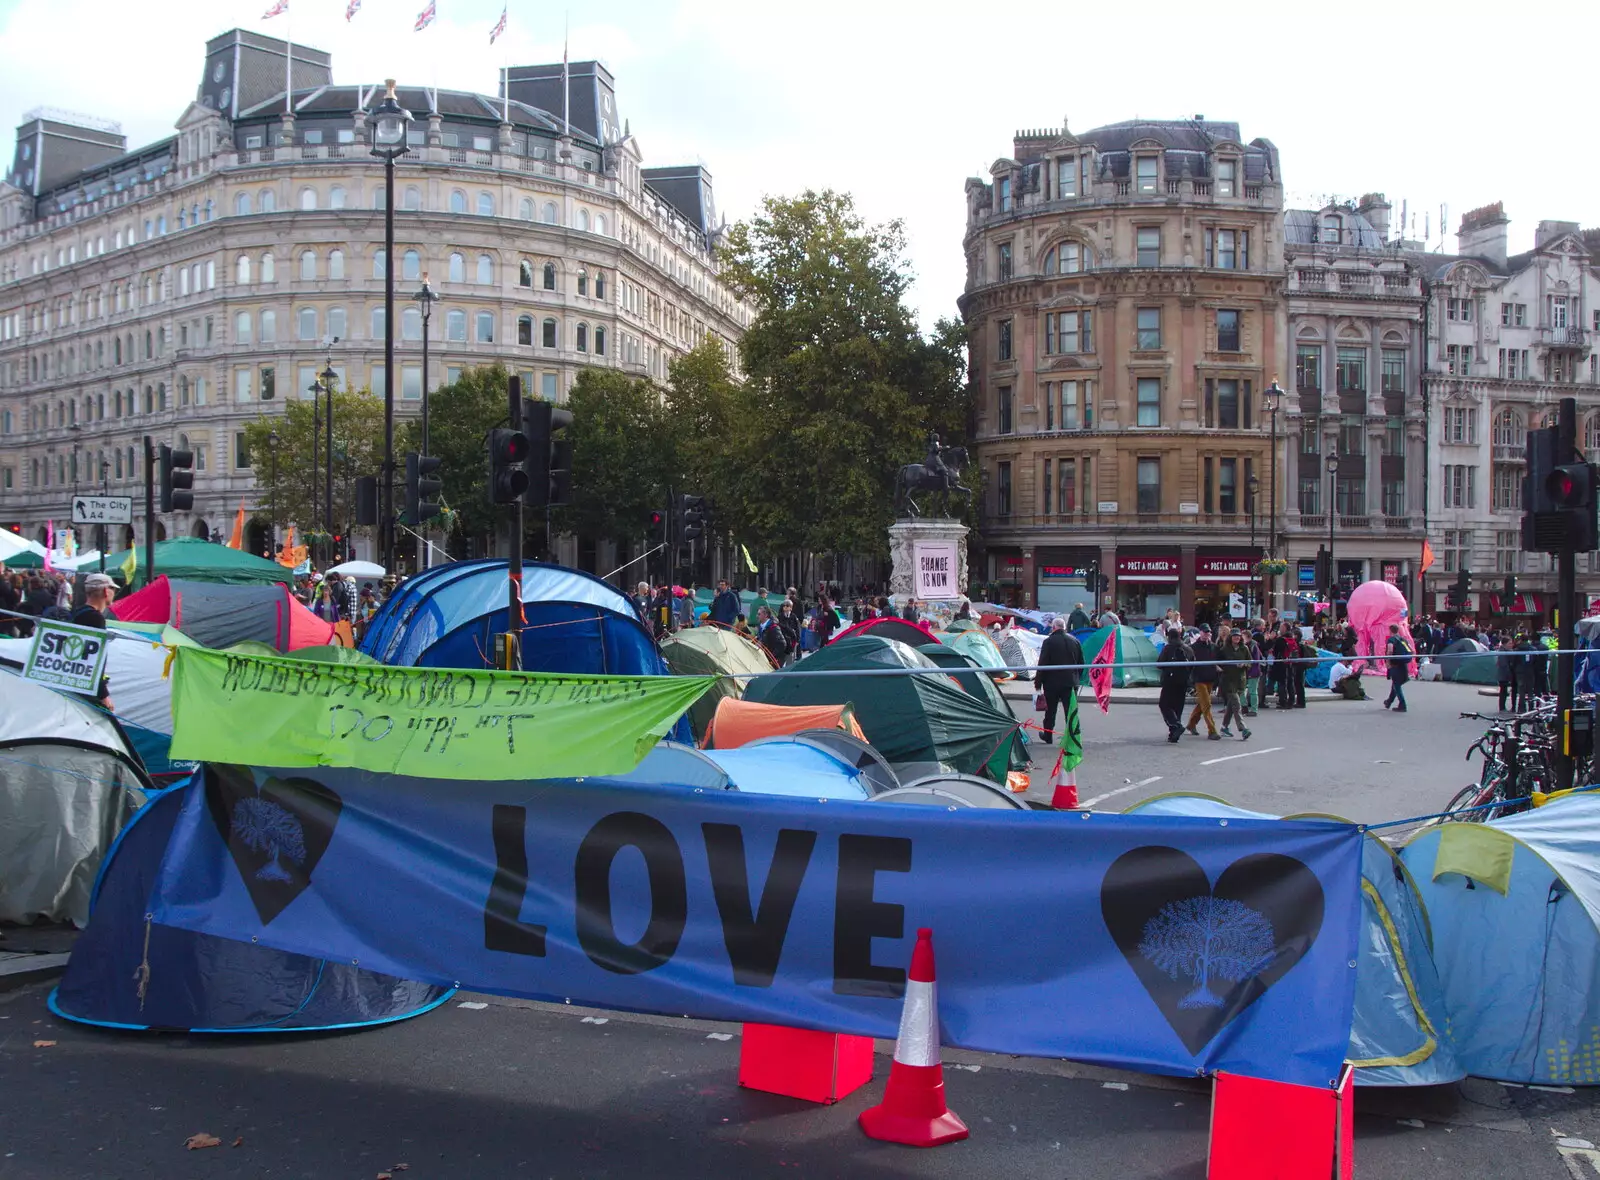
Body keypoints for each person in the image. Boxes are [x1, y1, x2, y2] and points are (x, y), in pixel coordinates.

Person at [70, 572, 116, 711]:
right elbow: (93, 658)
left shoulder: (78, 612)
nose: (115, 592)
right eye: (112, 589)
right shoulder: (95, 618)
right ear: (105, 591)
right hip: (85, 685)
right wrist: (103, 693)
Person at [1037, 617, 1085, 744]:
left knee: (1050, 711)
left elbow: (1042, 663)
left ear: (1053, 628)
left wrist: (1038, 682)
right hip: (1070, 682)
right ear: (1065, 627)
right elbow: (1081, 663)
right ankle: (1073, 736)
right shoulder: (1075, 641)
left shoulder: (1048, 641)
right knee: (1071, 711)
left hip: (1051, 683)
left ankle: (1048, 735)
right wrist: (1076, 678)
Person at [1185, 628, 1222, 740]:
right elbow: (1189, 663)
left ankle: (1191, 725)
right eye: (1205, 632)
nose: (1207, 634)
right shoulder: (1193, 648)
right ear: (1200, 633)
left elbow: (1219, 660)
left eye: (1209, 632)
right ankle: (1212, 730)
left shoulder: (1214, 647)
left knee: (1202, 704)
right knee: (1206, 704)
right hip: (1199, 679)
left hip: (1210, 678)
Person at [1156, 627, 1192, 742]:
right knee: (1178, 707)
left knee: (1164, 705)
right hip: (1183, 682)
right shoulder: (1188, 649)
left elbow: (1160, 664)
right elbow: (1193, 663)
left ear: (1168, 636)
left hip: (1170, 681)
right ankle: (1174, 734)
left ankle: (1175, 725)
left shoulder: (1168, 648)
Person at [1217, 630, 1252, 741]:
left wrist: (1244, 664)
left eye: (1238, 636)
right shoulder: (1224, 649)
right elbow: (1218, 663)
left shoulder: (1244, 648)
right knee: (1236, 705)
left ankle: (1224, 727)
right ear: (1230, 637)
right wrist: (1220, 668)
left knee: (1231, 707)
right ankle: (1243, 728)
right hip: (1228, 681)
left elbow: (1250, 662)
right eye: (1234, 636)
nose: (1236, 638)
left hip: (1240, 680)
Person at [1383, 623, 1413, 712]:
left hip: (1395, 665)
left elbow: (1390, 650)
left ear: (1390, 630)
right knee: (1396, 684)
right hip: (1403, 664)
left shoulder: (1391, 640)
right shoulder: (1403, 639)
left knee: (1396, 685)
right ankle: (1389, 702)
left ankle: (1402, 705)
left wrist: (1388, 661)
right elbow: (1411, 649)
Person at [1496, 636, 1517, 713]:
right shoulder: (1502, 652)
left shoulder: (1508, 651)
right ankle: (1502, 707)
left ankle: (1502, 707)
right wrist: (1509, 675)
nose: (1511, 644)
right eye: (1510, 643)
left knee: (1504, 691)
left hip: (1506, 674)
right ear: (1504, 644)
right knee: (1503, 691)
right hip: (1503, 674)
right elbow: (1504, 665)